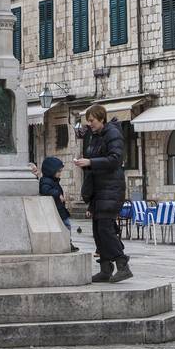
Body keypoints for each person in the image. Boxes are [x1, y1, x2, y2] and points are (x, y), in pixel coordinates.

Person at [73, 104, 131, 283]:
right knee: (98, 231)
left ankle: (122, 264)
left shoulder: (112, 133)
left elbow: (115, 159)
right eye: (88, 121)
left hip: (111, 189)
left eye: (92, 120)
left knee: (106, 229)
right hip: (100, 191)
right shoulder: (95, 136)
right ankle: (105, 268)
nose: (89, 124)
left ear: (101, 119)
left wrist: (90, 161)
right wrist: (90, 201)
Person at [40, 156, 71, 233]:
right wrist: (58, 194)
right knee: (66, 226)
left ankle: (68, 241)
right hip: (56, 211)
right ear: (51, 171)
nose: (60, 174)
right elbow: (45, 190)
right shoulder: (46, 181)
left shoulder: (54, 181)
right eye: (58, 171)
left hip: (60, 210)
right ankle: (67, 242)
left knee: (67, 226)